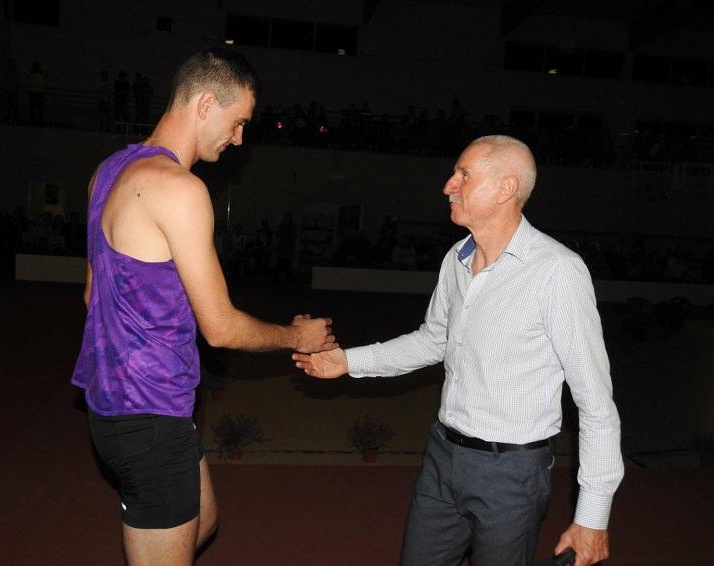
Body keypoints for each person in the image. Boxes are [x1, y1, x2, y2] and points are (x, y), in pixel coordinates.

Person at [293, 135, 624, 566]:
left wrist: (592, 516)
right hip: (443, 456)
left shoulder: (556, 271)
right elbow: (434, 340)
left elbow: (595, 402)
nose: (448, 185)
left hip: (511, 474)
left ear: (505, 189)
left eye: (463, 175)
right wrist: (348, 361)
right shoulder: (457, 258)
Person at [71, 47, 337, 566]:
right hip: (148, 415)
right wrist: (297, 336)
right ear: (206, 103)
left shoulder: (107, 171)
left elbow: (90, 295)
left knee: (205, 520)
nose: (238, 139)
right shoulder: (180, 189)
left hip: (120, 405)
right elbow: (220, 328)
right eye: (238, 123)